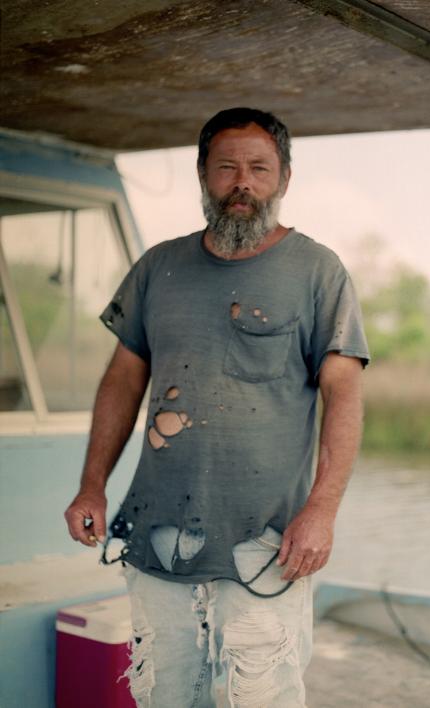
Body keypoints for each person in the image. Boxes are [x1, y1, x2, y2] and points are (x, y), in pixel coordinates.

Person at [64, 107, 369, 707]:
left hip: (267, 542)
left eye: (259, 168)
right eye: (226, 167)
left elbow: (344, 397)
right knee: (165, 695)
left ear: (283, 179)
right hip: (155, 536)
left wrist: (322, 512)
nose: (242, 183)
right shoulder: (159, 266)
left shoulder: (318, 271)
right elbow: (122, 381)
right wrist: (91, 486)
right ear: (203, 173)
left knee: (262, 697)